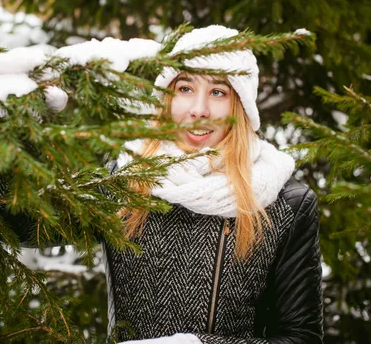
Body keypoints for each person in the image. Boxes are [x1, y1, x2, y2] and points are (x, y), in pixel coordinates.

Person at [103, 25, 323, 343]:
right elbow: (25, 226)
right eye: (185, 88)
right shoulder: (126, 176)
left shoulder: (285, 202)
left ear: (240, 104)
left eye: (218, 92)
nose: (199, 110)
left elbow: (301, 338)